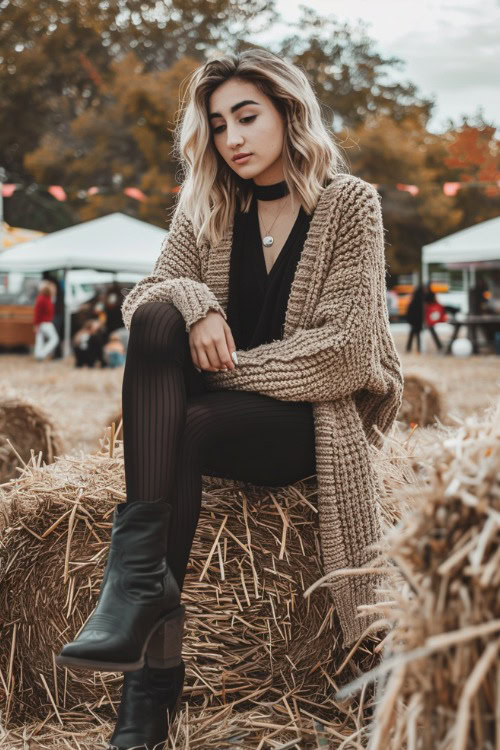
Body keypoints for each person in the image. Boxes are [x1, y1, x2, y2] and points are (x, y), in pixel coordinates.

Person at [56, 49, 404, 750]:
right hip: (222, 420)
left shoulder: (349, 205)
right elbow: (146, 305)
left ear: (288, 113)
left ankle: (144, 670)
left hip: (311, 421)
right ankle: (142, 604)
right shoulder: (208, 205)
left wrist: (218, 365)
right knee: (163, 324)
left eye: (248, 117)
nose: (233, 138)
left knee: (190, 413)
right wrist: (195, 304)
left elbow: (343, 354)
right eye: (217, 125)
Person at [33, 280, 60, 361]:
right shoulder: (43, 299)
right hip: (44, 322)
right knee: (54, 339)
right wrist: (36, 324)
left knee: (40, 338)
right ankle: (41, 354)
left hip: (44, 322)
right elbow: (38, 312)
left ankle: (38, 354)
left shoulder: (48, 298)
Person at [424, 283, 447, 351]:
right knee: (432, 330)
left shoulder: (426, 296)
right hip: (432, 314)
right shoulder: (432, 294)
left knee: (432, 330)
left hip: (430, 314)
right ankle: (439, 345)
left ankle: (439, 345)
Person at [405, 283, 424, 353]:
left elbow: (410, 309)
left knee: (412, 334)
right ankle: (418, 348)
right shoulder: (421, 298)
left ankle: (409, 348)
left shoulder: (414, 298)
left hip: (414, 320)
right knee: (417, 334)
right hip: (418, 319)